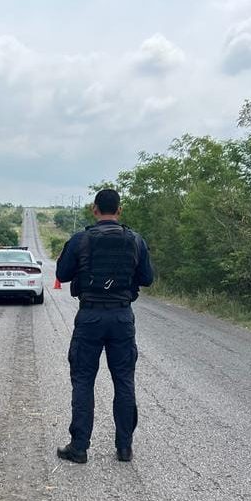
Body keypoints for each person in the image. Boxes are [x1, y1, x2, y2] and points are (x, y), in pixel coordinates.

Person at [55, 189, 153, 463]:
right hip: (122, 317)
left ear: (94, 209)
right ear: (119, 210)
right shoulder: (135, 240)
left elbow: (62, 274)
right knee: (124, 380)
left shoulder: (81, 239)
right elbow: (147, 278)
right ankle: (124, 447)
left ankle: (79, 447)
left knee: (83, 380)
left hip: (90, 317)